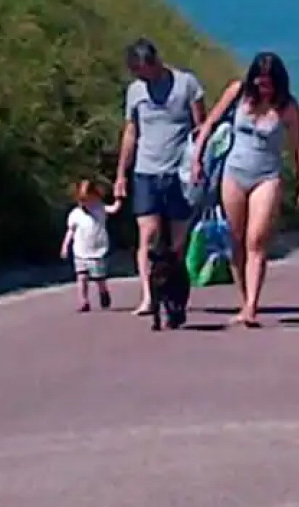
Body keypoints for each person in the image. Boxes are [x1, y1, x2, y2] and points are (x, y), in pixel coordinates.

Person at [192, 51, 299, 328]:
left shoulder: (287, 107)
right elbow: (209, 124)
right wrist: (197, 159)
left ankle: (251, 307)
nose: (263, 86)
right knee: (235, 240)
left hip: (266, 177)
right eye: (259, 81)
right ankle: (243, 297)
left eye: (269, 82)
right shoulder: (238, 92)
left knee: (255, 240)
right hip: (234, 173)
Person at [114, 38, 207, 316]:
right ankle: (148, 296)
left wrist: (199, 163)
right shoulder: (135, 92)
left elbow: (201, 128)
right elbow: (131, 133)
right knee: (148, 235)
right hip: (146, 171)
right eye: (141, 72)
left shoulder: (186, 84)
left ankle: (176, 290)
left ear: (157, 60)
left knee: (178, 241)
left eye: (150, 68)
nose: (148, 75)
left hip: (179, 172)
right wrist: (121, 174)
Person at [60, 180, 123, 312]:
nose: (86, 203)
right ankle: (83, 301)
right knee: (82, 277)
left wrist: (119, 197)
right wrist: (65, 246)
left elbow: (114, 209)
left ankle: (103, 292)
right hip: (81, 251)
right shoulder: (75, 214)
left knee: (99, 278)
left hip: (97, 251)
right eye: (82, 200)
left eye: (88, 199)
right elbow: (70, 231)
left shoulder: (100, 209)